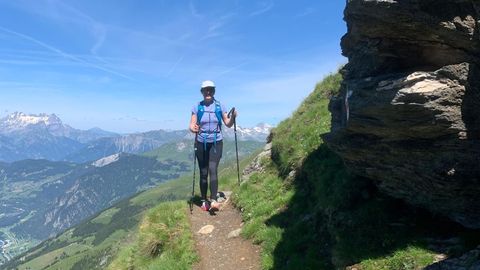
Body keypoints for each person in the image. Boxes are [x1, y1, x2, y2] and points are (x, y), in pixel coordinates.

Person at [189, 80, 237, 211]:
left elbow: (227, 123)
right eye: (205, 90)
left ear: (214, 91)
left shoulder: (220, 106)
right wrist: (194, 128)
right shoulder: (197, 107)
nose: (208, 92)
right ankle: (204, 200)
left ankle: (214, 200)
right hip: (201, 142)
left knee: (212, 169)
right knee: (203, 172)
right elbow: (191, 125)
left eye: (210, 89)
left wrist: (233, 117)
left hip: (216, 142)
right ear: (202, 92)